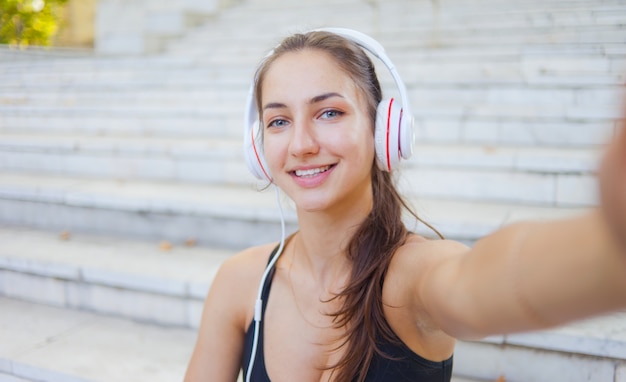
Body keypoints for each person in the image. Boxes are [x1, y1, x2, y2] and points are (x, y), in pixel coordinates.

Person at [184, 29, 626, 382]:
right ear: (259, 150)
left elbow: (491, 282)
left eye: (330, 113)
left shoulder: (414, 276)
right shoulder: (241, 282)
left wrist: (610, 243)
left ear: (384, 130)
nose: (301, 144)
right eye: (279, 121)